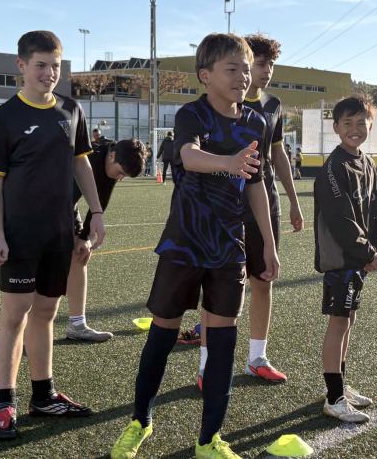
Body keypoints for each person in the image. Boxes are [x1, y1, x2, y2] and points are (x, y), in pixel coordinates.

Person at [111, 33, 278, 459]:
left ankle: (209, 440)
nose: (242, 77)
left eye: (246, 69)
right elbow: (189, 155)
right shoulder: (192, 114)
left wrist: (268, 244)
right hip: (184, 244)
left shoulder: (256, 123)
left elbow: (256, 184)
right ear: (205, 75)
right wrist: (228, 163)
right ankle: (140, 422)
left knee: (222, 343)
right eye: (232, 69)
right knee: (163, 335)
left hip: (229, 248)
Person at [0, 31, 105, 440]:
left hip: (59, 233)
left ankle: (44, 395)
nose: (49, 73)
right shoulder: (3, 118)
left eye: (55, 66)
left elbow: (82, 165)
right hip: (19, 235)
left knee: (47, 313)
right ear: (21, 65)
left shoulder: (71, 110)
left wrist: (96, 213)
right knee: (14, 316)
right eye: (40, 65)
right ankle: (5, 404)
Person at [195, 34, 303, 388]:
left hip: (263, 200)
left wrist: (293, 199)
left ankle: (257, 358)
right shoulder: (218, 106)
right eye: (259, 63)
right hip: (224, 204)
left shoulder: (272, 106)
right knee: (217, 286)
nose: (265, 71)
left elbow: (277, 154)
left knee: (264, 278)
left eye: (271, 64)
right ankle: (206, 366)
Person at [313, 95, 377, 423]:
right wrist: (366, 252)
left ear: (370, 125)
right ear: (336, 127)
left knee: (349, 319)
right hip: (341, 258)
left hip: (359, 257)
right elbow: (341, 219)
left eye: (361, 123)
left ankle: (340, 386)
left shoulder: (367, 162)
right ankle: (334, 397)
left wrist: (376, 247)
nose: (354, 129)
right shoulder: (334, 167)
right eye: (347, 123)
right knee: (339, 322)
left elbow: (376, 206)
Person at [65, 139, 146, 342]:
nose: (120, 178)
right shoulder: (89, 159)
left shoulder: (111, 159)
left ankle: (77, 325)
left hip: (67, 206)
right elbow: (62, 198)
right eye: (120, 173)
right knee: (48, 262)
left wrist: (84, 237)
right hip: (44, 203)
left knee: (80, 255)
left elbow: (100, 200)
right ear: (112, 156)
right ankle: (30, 330)